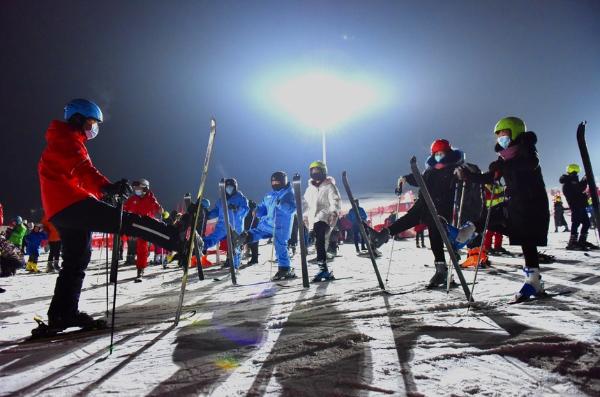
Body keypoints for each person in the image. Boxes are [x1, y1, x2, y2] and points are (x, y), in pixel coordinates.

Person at [38, 98, 190, 332]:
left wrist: (104, 191)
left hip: (62, 209)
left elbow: (75, 175)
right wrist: (106, 188)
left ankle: (62, 314)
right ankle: (174, 238)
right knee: (127, 222)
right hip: (72, 205)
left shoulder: (65, 139)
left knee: (76, 261)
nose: (94, 128)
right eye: (91, 122)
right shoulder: (66, 140)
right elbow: (82, 170)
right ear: (78, 119)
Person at [455, 116, 550, 302]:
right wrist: (468, 176)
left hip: (532, 204)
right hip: (516, 203)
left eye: (504, 133)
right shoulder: (505, 157)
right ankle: (466, 232)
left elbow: (530, 163)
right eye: (498, 135)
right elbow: (491, 177)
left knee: (526, 240)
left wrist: (503, 166)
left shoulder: (526, 150)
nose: (500, 138)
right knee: (499, 219)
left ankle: (533, 281)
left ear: (515, 132)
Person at [370, 139, 468, 288]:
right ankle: (384, 234)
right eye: (436, 154)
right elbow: (420, 180)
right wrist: (405, 178)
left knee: (435, 234)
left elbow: (463, 181)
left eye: (441, 153)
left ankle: (442, 268)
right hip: (425, 205)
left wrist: (460, 175)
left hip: (441, 208)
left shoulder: (452, 169)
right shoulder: (431, 170)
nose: (438, 157)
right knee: (410, 217)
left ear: (448, 154)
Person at [240, 172, 297, 280]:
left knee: (280, 246)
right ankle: (246, 237)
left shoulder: (289, 194)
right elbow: (263, 208)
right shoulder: (269, 195)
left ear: (284, 182)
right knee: (257, 232)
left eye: (278, 182)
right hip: (267, 224)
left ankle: (284, 269)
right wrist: (258, 211)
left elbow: (292, 209)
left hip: (281, 226)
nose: (275, 184)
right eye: (273, 182)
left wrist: (281, 204)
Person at [302, 161, 342, 281]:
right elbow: (305, 204)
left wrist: (333, 213)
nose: (315, 173)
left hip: (325, 217)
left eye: (317, 171)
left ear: (323, 172)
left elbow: (336, 201)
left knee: (319, 239)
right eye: (313, 171)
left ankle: (323, 268)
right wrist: (305, 216)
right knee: (319, 242)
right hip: (312, 219)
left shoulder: (329, 186)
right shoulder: (309, 189)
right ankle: (323, 269)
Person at [203, 178, 249, 271]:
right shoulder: (221, 200)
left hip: (235, 226)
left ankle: (235, 266)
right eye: (227, 187)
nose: (229, 189)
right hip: (222, 225)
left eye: (231, 187)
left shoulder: (241, 198)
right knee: (214, 238)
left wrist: (237, 209)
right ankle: (201, 245)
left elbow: (245, 210)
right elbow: (216, 211)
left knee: (235, 245)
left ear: (235, 187)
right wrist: (208, 214)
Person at [124, 178, 163, 282]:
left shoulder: (151, 198)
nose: (136, 190)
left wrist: (160, 210)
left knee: (147, 245)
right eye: (135, 188)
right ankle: (136, 264)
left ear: (145, 188)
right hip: (136, 225)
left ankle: (144, 266)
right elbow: (125, 207)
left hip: (147, 225)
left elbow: (157, 208)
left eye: (138, 188)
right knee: (137, 246)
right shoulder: (133, 199)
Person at [560, 164, 597, 250]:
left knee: (586, 223)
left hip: (581, 205)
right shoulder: (568, 182)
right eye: (574, 171)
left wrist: (584, 180)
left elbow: (579, 188)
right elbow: (579, 189)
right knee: (576, 223)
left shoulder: (573, 181)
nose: (575, 173)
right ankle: (572, 242)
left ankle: (581, 241)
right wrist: (585, 180)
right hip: (575, 206)